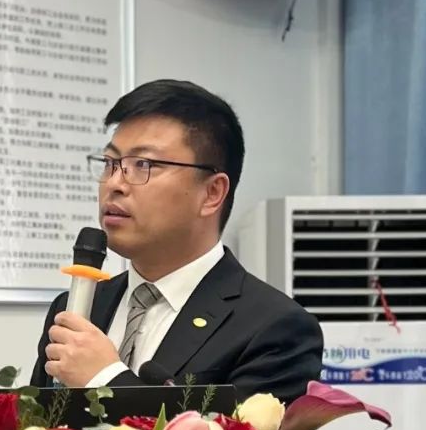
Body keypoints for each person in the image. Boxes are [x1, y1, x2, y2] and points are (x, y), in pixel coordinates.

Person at [31, 79, 322, 403]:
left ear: (212, 193)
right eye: (110, 163)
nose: (114, 184)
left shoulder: (275, 329)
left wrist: (106, 378)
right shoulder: (74, 308)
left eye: (143, 165)